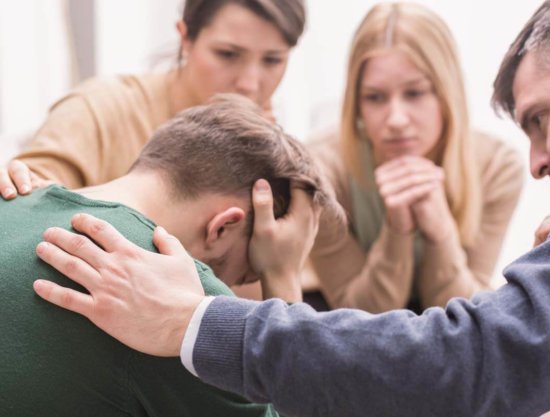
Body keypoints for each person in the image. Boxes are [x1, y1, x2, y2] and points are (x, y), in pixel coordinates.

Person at [28, 0, 550, 416]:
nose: (537, 163)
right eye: (374, 97)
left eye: (539, 120)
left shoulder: (504, 168)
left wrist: (196, 318)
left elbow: (483, 357)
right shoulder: (316, 169)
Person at [0, 95, 338, 416]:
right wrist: (282, 277)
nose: (231, 287)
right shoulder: (172, 298)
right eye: (246, 275)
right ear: (222, 228)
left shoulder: (11, 197)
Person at [306, 2, 523, 312]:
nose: (396, 119)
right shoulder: (320, 170)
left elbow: (467, 321)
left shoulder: (497, 167)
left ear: (447, 93)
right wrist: (397, 231)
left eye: (415, 93)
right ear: (355, 104)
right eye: (375, 97)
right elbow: (358, 316)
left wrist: (441, 234)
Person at [0, 0, 305, 197]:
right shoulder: (100, 109)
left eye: (272, 60)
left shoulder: (275, 151)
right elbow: (27, 202)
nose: (249, 83)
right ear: (185, 37)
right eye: (227, 54)